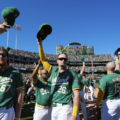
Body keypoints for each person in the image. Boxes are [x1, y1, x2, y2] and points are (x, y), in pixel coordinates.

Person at [37, 38, 82, 120]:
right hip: (53, 108)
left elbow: (76, 95)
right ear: (57, 61)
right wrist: (40, 45)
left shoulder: (72, 73)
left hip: (65, 108)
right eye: (60, 59)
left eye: (65, 59)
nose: (63, 60)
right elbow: (43, 60)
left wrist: (74, 114)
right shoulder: (53, 70)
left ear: (67, 61)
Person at [0, 47, 24, 120]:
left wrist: (17, 116)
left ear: (7, 57)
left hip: (6, 111)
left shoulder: (15, 73)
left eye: (3, 55)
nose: (1, 56)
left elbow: (19, 94)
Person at [95, 55, 120, 120]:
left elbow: (101, 93)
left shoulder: (105, 78)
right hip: (118, 100)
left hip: (110, 103)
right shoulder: (119, 75)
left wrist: (96, 104)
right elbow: (118, 67)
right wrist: (117, 59)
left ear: (106, 68)